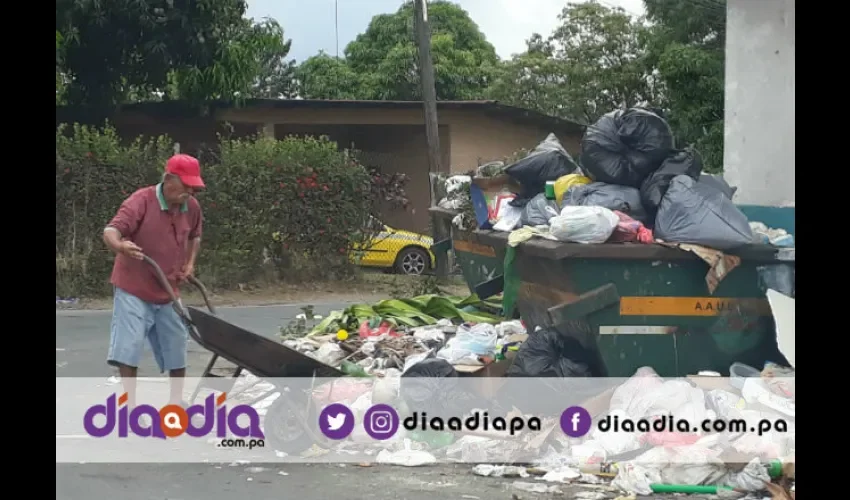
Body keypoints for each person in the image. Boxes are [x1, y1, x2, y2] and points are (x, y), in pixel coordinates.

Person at [102, 154, 205, 409]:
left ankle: (175, 402)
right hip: (133, 287)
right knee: (130, 347)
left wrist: (189, 263)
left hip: (169, 289)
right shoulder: (141, 201)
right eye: (186, 186)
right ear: (168, 179)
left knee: (176, 343)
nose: (190, 192)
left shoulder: (191, 207)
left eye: (194, 187)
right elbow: (110, 231)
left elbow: (195, 236)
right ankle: (129, 406)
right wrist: (120, 246)